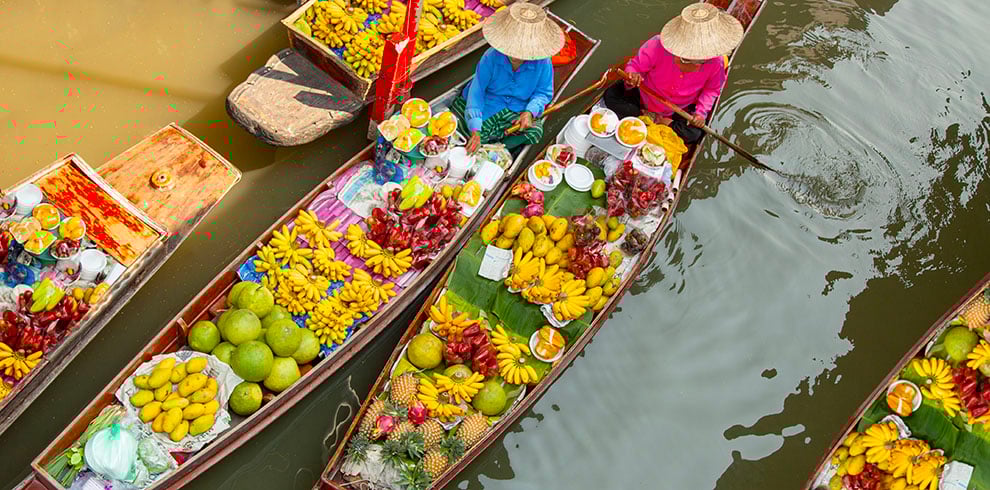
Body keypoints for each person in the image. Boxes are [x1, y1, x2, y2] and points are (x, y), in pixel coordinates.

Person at [604, 2, 743, 145]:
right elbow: (635, 66)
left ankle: (661, 122)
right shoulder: (658, 44)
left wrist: (700, 113)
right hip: (645, 96)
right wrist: (632, 76)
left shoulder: (716, 62)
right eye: (686, 59)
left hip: (678, 108)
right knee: (611, 95)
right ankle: (644, 115)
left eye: (701, 61)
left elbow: (712, 90)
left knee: (694, 134)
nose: (696, 65)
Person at [449, 2, 565, 153]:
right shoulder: (491, 57)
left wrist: (530, 112)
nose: (517, 56)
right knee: (473, 131)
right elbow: (477, 91)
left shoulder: (543, 62)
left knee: (535, 131)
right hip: (488, 102)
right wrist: (475, 128)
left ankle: (497, 148)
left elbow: (543, 93)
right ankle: (486, 143)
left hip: (517, 108)